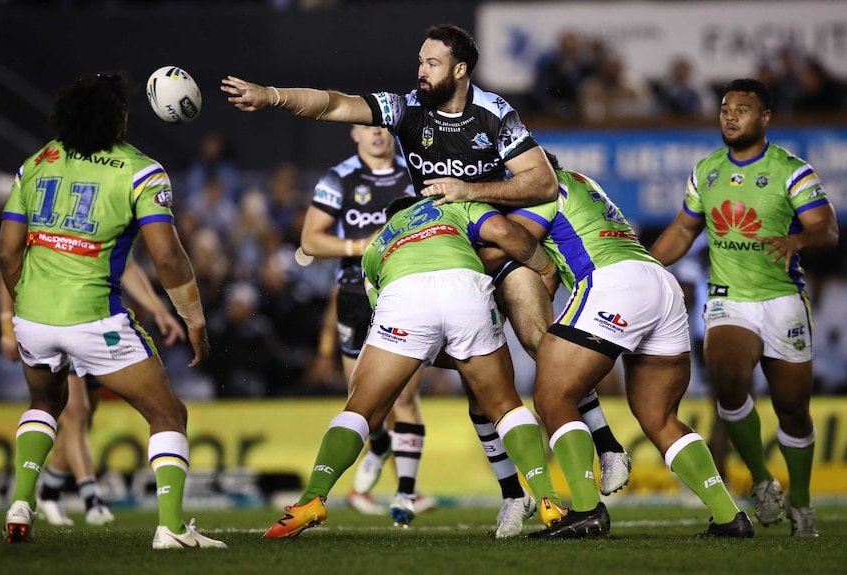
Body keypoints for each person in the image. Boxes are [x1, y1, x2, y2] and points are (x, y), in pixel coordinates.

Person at [222, 23, 631, 537]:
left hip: (500, 237)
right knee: (479, 388)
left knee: (539, 344)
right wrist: (273, 96)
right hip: (453, 249)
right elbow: (334, 104)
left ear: (460, 70)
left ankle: (607, 444)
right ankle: (516, 496)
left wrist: (470, 189)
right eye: (419, 61)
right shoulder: (406, 109)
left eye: (431, 63)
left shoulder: (494, 113)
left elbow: (542, 181)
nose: (420, 70)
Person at [0, 72, 225, 549]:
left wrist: (27, 305)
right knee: (168, 415)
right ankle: (171, 528)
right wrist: (194, 318)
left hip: (32, 318)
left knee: (45, 404)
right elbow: (167, 257)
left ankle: (22, 501)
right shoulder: (140, 170)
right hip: (95, 318)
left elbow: (6, 253)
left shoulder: (37, 163)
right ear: (118, 118)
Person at [264, 194, 568, 538]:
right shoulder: (452, 204)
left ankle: (311, 498)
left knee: (360, 409)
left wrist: (430, 350)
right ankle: (548, 499)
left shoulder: (376, 245)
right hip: (465, 288)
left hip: (404, 297)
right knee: (505, 405)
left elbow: (384, 313)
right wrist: (545, 268)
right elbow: (503, 231)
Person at [506, 151, 753, 540]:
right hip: (659, 282)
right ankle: (729, 517)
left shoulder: (541, 190)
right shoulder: (586, 183)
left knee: (553, 396)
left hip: (610, 282)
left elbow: (506, 242)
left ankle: (586, 511)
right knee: (659, 417)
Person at [649, 78, 838, 538]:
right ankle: (760, 478)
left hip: (783, 301)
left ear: (765, 118)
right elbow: (682, 230)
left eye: (742, 110)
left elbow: (827, 229)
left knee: (793, 408)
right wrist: (642, 263)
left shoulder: (792, 171)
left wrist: (798, 238)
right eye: (725, 109)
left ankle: (802, 503)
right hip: (728, 299)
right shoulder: (706, 171)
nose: (730, 116)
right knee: (729, 383)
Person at [299, 124, 432, 521]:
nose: (376, 132)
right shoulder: (340, 178)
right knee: (360, 399)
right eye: (367, 126)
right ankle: (377, 445)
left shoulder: (414, 172)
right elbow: (310, 240)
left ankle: (406, 495)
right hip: (355, 295)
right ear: (354, 133)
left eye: (382, 126)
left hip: (406, 291)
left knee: (405, 397)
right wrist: (364, 245)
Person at [0, 259, 187, 527]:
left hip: (94, 321)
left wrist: (155, 307)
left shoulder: (88, 224)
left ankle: (49, 488)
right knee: (76, 411)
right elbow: (11, 259)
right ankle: (91, 497)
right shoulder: (51, 220)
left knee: (81, 417)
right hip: (67, 318)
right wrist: (7, 322)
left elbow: (127, 264)